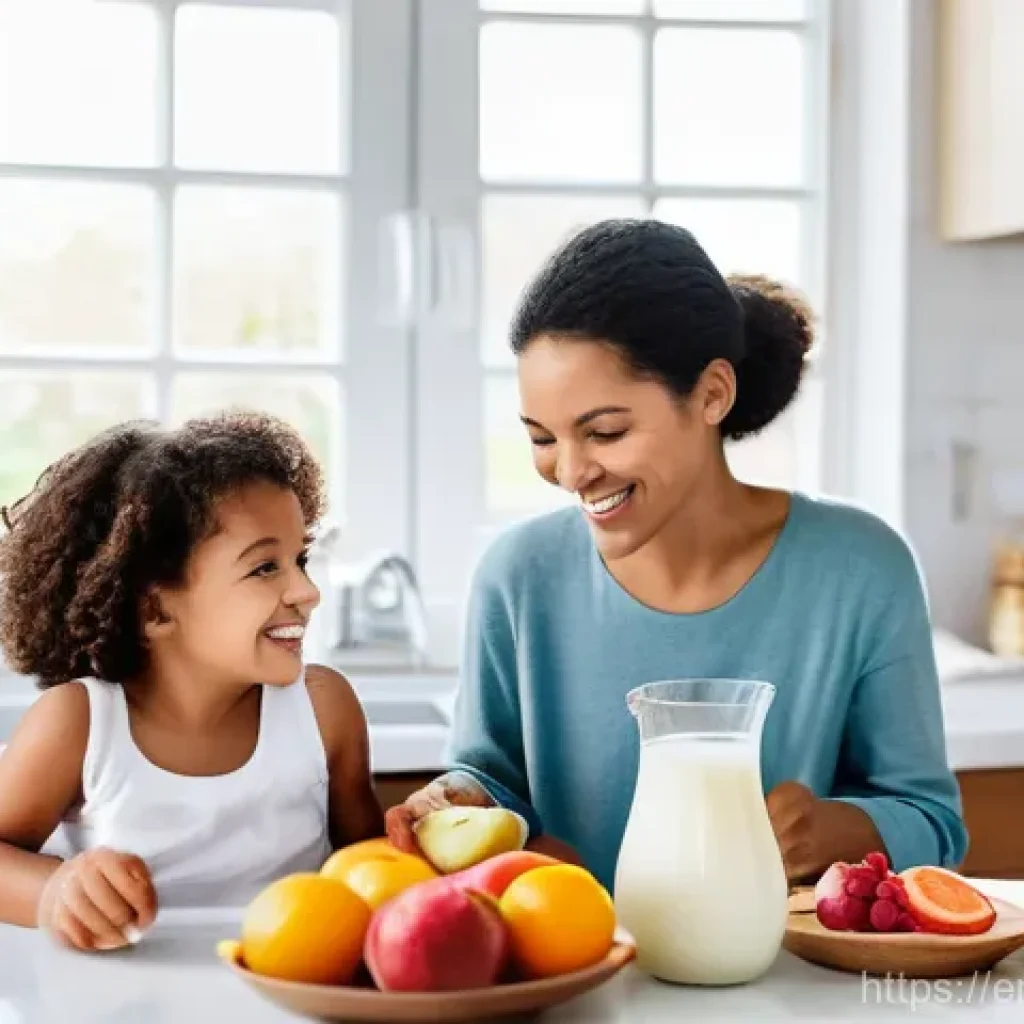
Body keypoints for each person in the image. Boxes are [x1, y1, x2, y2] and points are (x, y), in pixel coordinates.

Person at [387, 218, 968, 893]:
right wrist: (458, 799)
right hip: (576, 950)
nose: (570, 472)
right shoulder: (518, 577)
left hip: (773, 957)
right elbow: (493, 783)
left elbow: (933, 822)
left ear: (712, 394)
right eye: (542, 438)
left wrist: (830, 830)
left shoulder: (859, 568)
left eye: (606, 431)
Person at [0, 411, 384, 950]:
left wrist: (418, 839)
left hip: (283, 987)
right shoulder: (80, 721)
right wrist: (55, 889)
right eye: (264, 567)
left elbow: (371, 866)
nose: (307, 591)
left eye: (300, 558)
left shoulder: (325, 710)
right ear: (155, 609)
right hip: (125, 993)